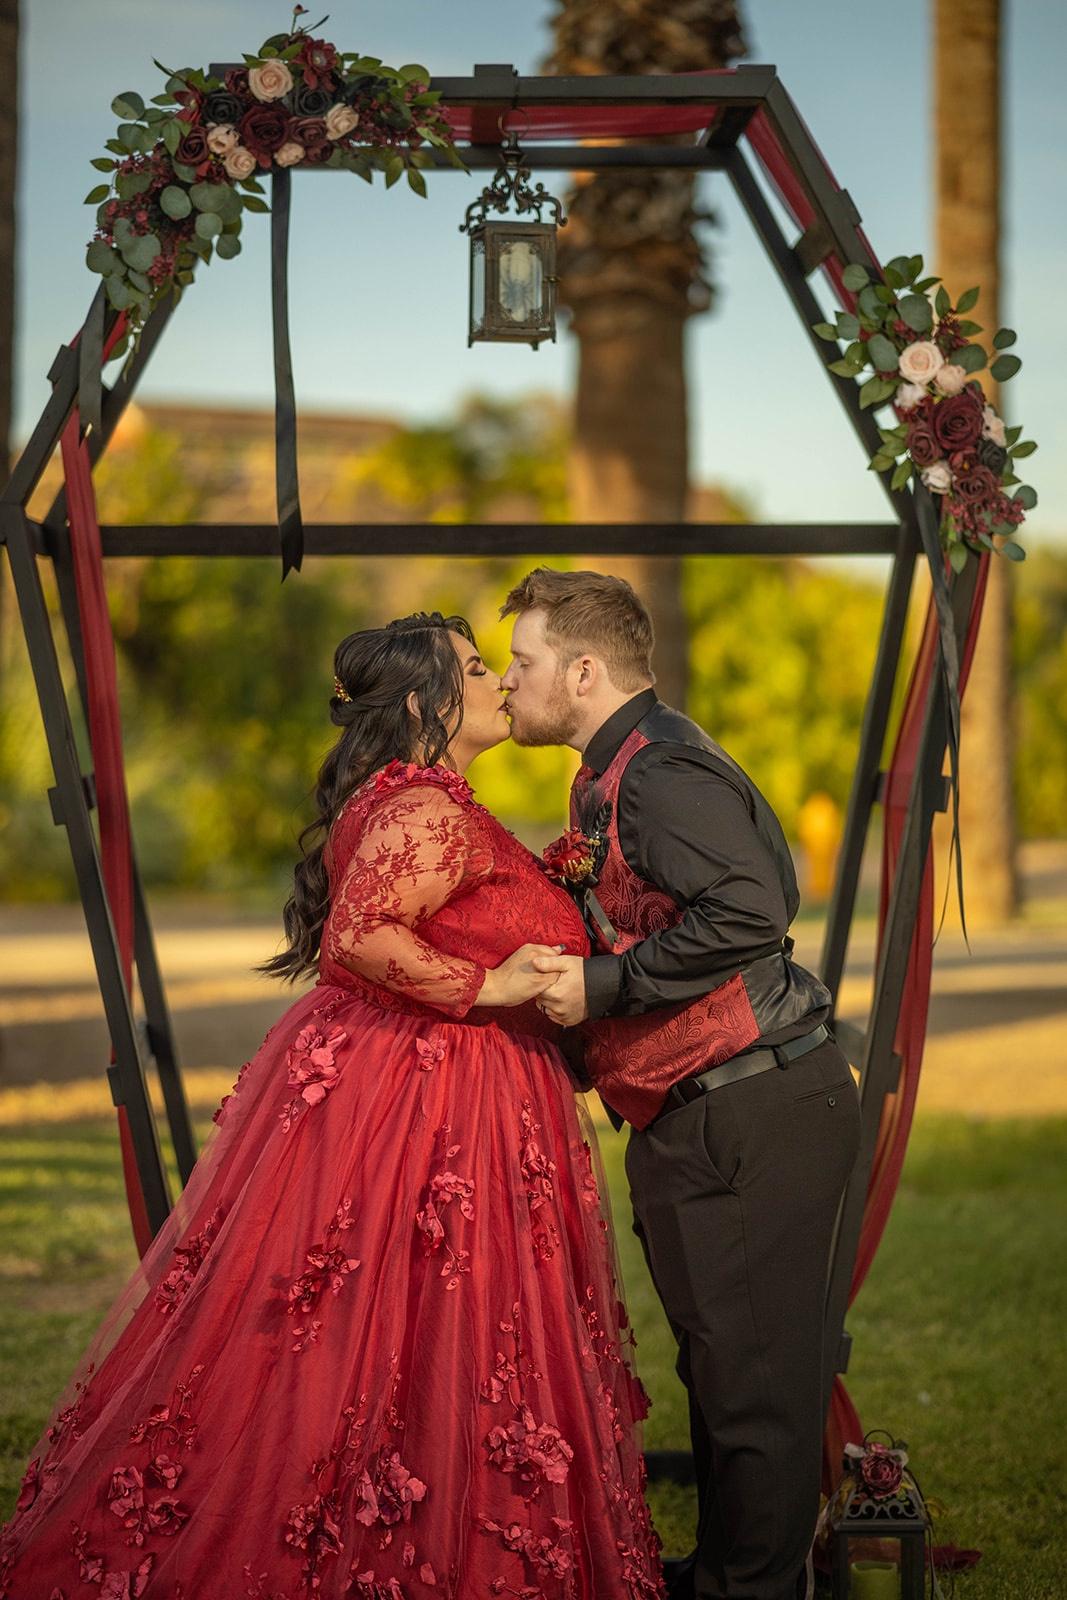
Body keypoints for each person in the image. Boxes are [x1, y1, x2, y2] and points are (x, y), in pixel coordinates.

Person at [0, 613, 664, 1600]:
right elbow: (358, 936)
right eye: (477, 668)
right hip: (430, 1100)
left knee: (409, 1332)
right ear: (419, 703)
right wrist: (488, 989)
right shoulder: (422, 807)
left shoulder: (416, 799)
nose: (494, 681)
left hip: (435, 1086)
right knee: (407, 1323)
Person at [499, 570, 862, 1600]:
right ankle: (731, 1571)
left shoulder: (654, 771)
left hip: (749, 1108)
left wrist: (605, 983)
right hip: (706, 1112)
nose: (514, 684)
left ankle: (752, 1590)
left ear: (582, 668)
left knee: (752, 1391)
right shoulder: (627, 766)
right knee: (720, 1373)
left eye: (523, 664)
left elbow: (750, 909)